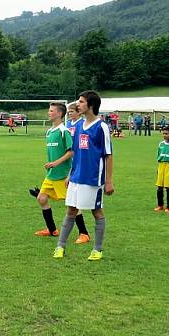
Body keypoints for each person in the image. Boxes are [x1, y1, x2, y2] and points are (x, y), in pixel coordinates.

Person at [53, 91, 113, 261]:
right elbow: (77, 153)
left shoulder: (101, 127)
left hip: (93, 178)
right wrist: (70, 175)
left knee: (96, 212)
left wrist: (108, 181)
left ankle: (97, 249)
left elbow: (108, 155)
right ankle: (60, 246)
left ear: (90, 105)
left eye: (81, 102)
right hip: (76, 177)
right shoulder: (78, 126)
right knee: (71, 210)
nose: (77, 104)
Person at [32, 103, 89, 243]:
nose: (48, 113)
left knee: (72, 205)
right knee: (41, 199)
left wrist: (55, 163)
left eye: (51, 111)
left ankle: (84, 233)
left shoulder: (64, 131)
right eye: (48, 110)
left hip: (63, 175)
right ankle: (52, 230)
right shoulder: (49, 132)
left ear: (59, 114)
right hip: (51, 175)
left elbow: (71, 152)